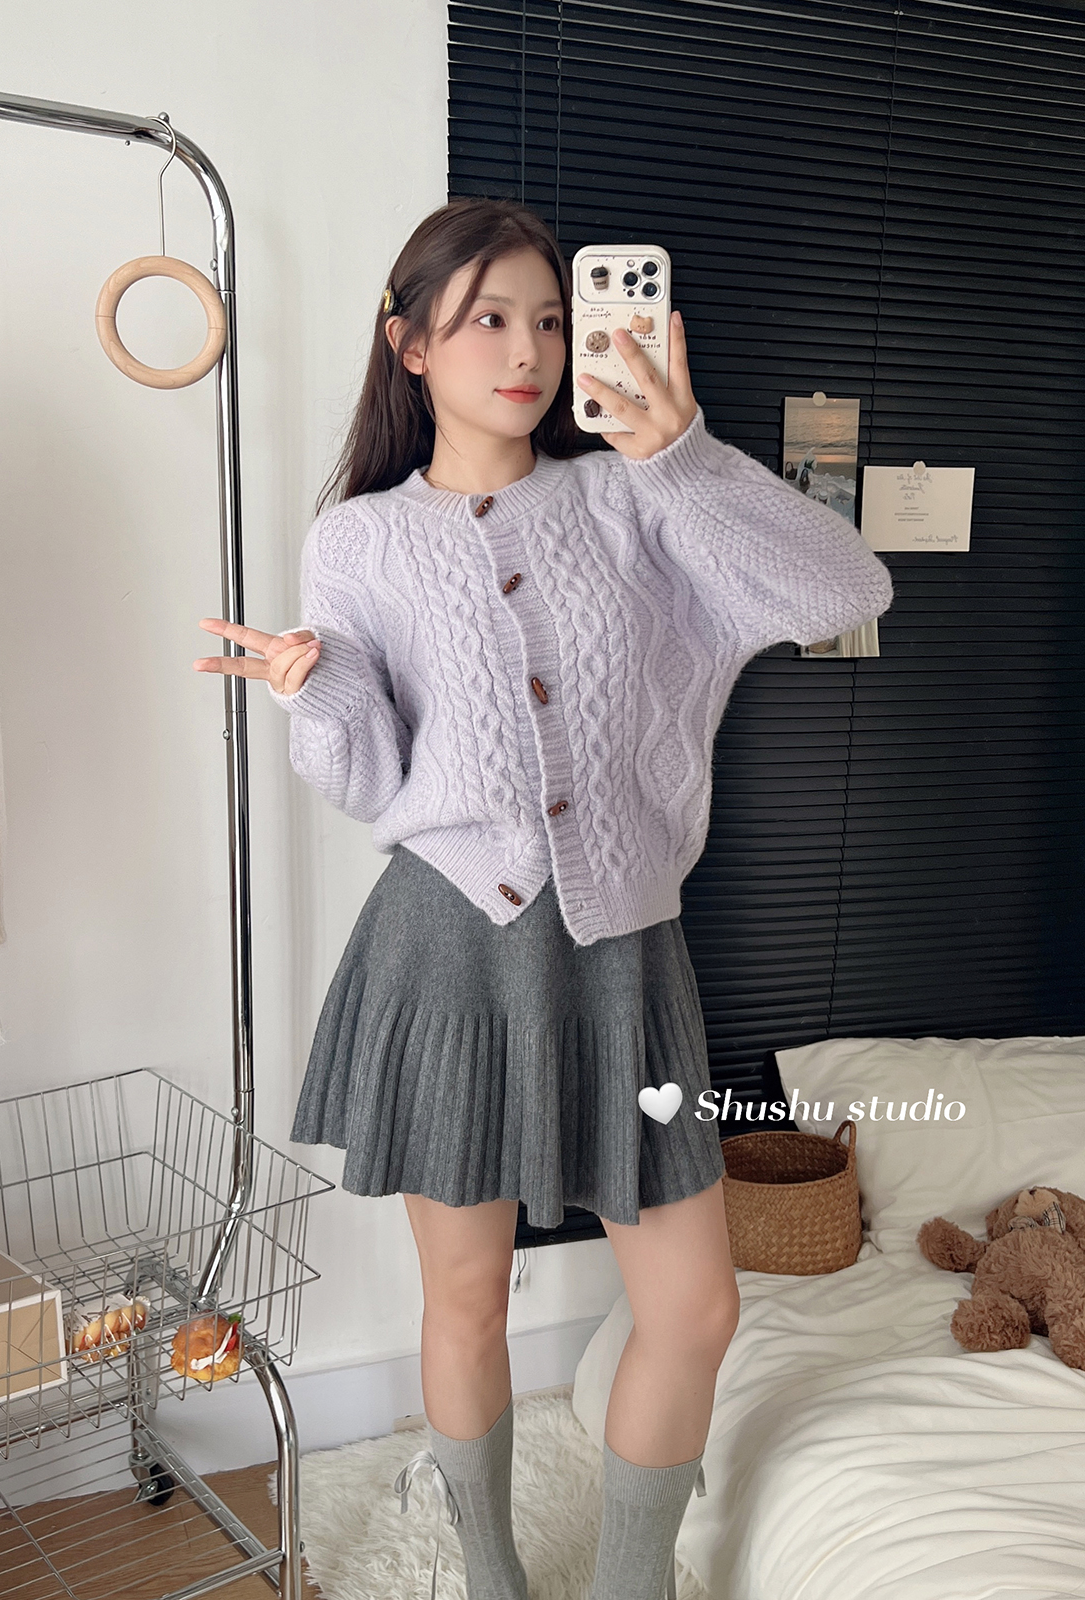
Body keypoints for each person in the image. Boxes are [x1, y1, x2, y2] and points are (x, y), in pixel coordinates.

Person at [193, 197, 893, 1600]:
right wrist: (317, 692)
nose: (528, 351)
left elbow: (845, 585)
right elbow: (367, 773)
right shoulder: (359, 541)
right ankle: (492, 1578)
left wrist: (682, 456)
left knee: (695, 1309)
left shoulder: (637, 498)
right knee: (467, 1296)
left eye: (551, 320)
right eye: (489, 320)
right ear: (410, 346)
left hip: (626, 954)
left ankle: (631, 1585)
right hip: (448, 946)